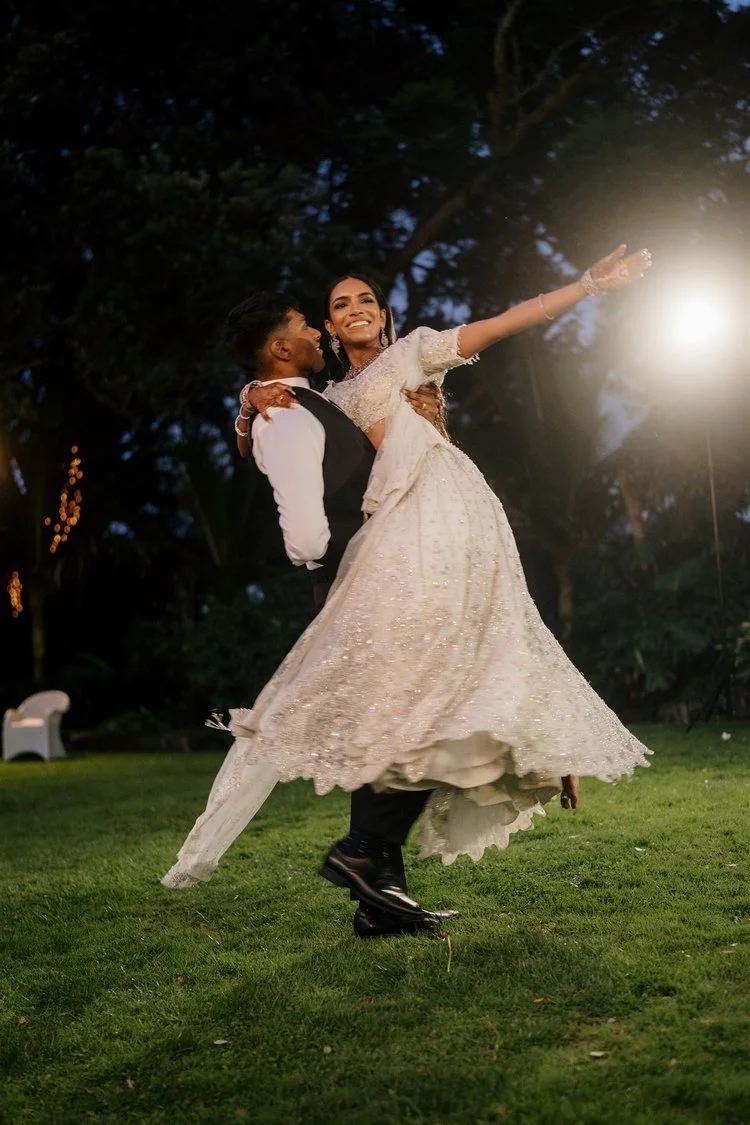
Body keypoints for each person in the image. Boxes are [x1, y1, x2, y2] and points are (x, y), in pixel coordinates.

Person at [162, 244, 652, 915]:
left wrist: (588, 285)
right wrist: (248, 406)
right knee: (403, 699)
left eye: (366, 299)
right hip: (386, 536)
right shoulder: (321, 398)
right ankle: (374, 879)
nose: (354, 309)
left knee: (436, 688)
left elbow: (506, 321)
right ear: (327, 331)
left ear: (385, 315)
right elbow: (285, 436)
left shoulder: (413, 355)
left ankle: (372, 859)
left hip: (447, 521)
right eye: (338, 305)